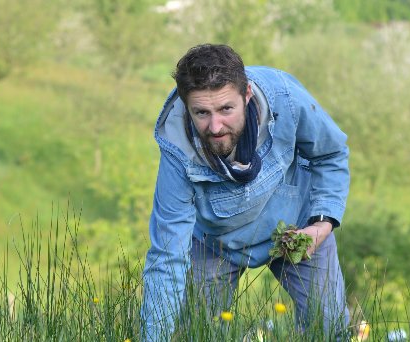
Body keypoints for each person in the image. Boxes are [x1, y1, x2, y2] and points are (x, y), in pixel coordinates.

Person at [140, 43, 351, 341]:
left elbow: (330, 153)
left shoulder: (285, 99)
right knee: (198, 333)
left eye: (226, 109)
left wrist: (322, 224)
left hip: (299, 226)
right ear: (187, 108)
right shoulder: (177, 149)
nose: (215, 127)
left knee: (330, 330)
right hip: (215, 241)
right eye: (201, 112)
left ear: (247, 94)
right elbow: (167, 257)